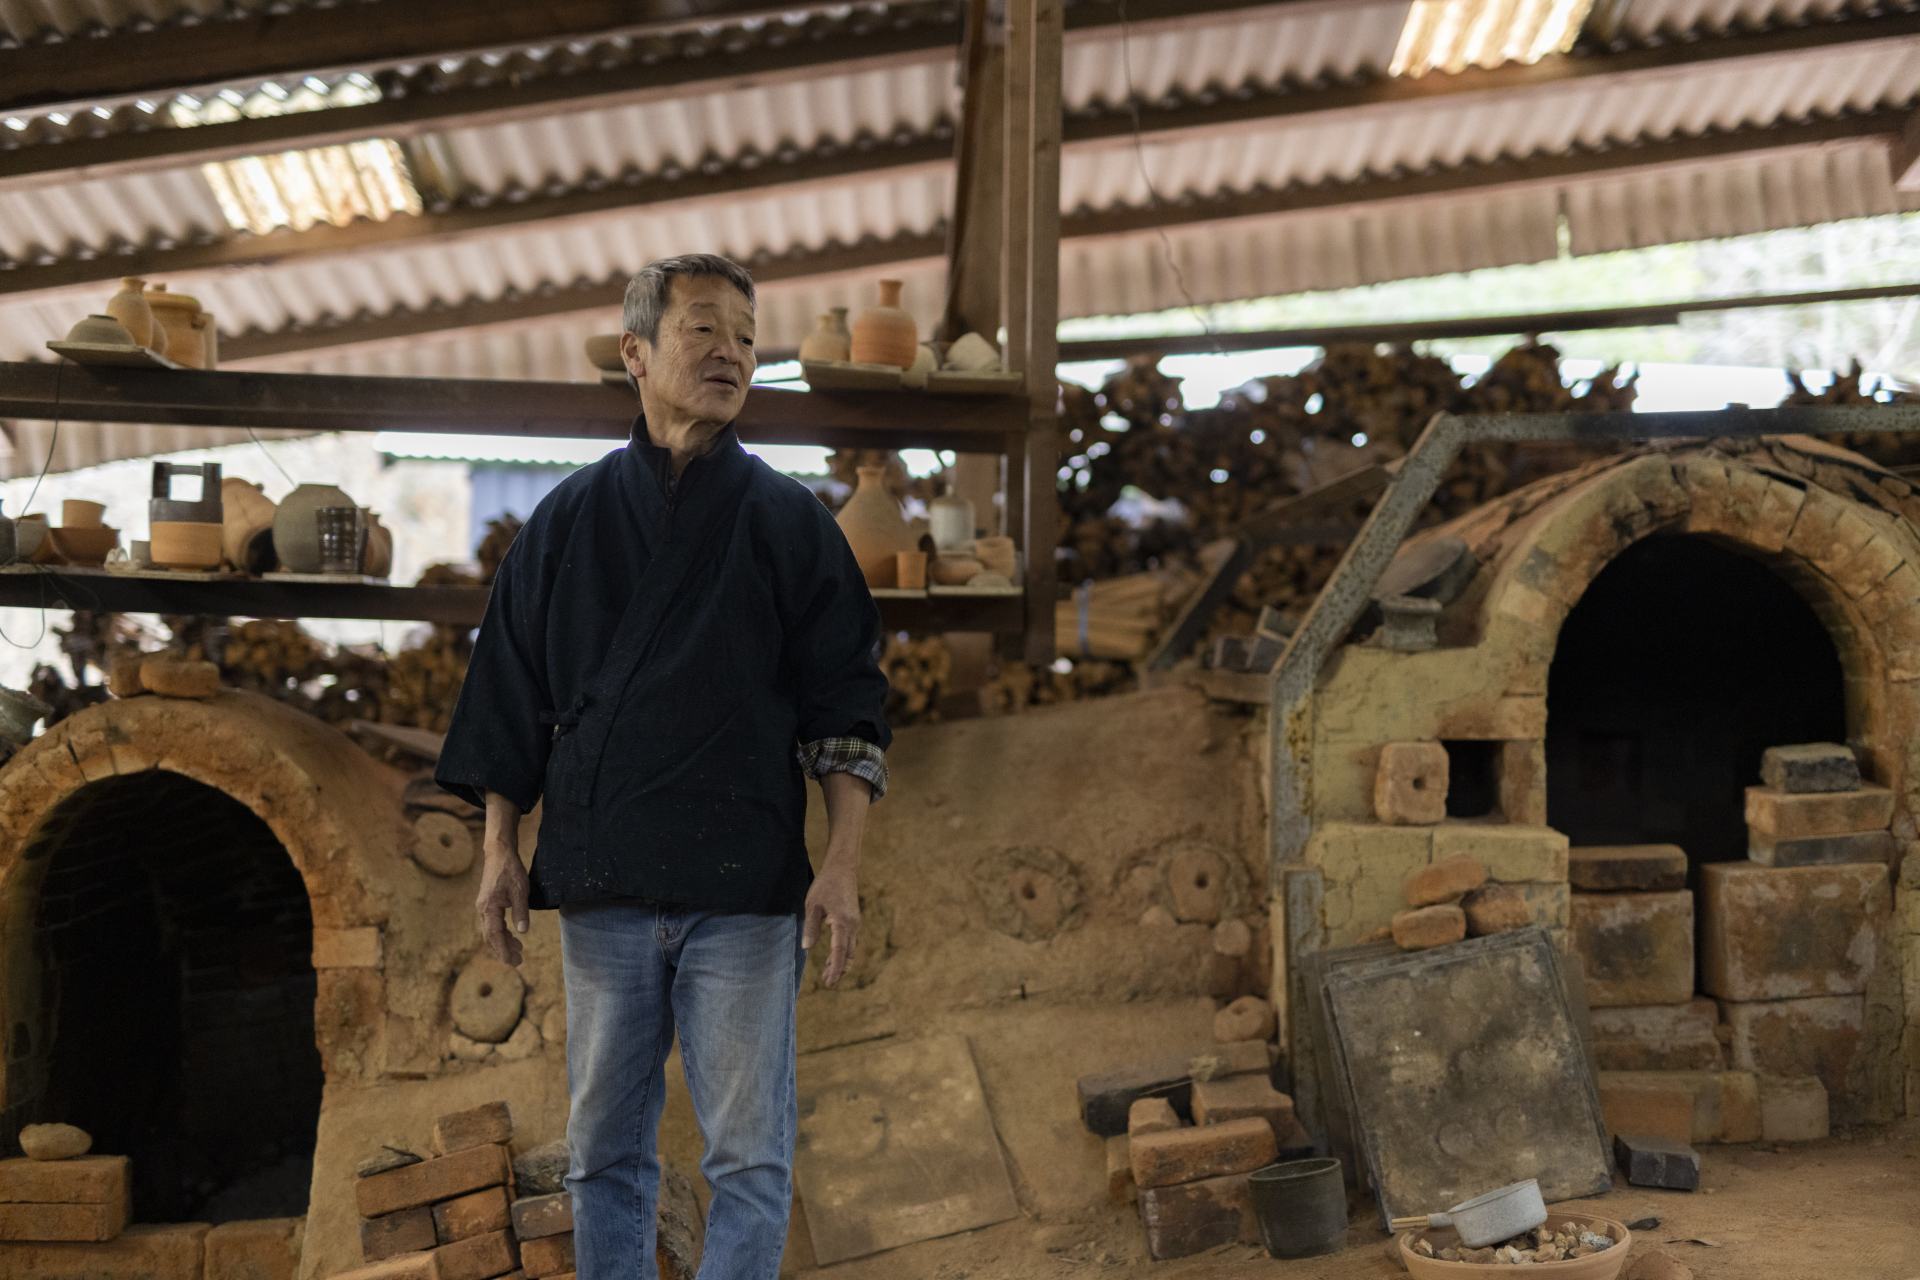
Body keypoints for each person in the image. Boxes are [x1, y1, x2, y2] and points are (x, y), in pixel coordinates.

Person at [436, 253, 891, 1279]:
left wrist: (843, 860)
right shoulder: (566, 520)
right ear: (636, 353)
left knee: (749, 1153)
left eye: (745, 334)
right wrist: (500, 849)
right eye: (703, 329)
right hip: (604, 877)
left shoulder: (789, 522)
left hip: (743, 878)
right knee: (604, 1153)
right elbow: (509, 690)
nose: (731, 350)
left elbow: (846, 703)